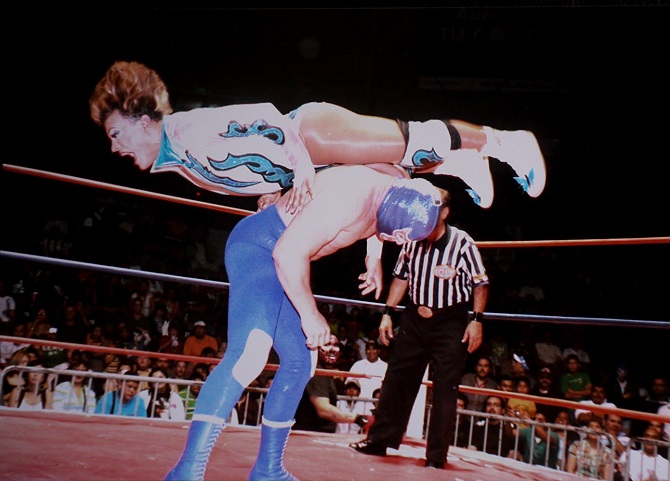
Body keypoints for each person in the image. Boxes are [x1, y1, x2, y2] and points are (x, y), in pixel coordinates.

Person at [164, 163, 447, 481]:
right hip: (260, 249)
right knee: (250, 355)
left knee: (301, 361)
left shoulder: (396, 180)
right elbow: (286, 254)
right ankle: (186, 471)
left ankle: (268, 469)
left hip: (284, 258)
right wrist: (310, 315)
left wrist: (373, 258)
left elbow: (379, 218)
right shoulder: (349, 197)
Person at [90, 60, 547, 213]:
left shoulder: (185, 130)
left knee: (414, 140)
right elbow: (249, 157)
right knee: (401, 167)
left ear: (141, 120)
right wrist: (272, 187)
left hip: (311, 135)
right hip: (309, 158)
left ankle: (505, 141)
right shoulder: (176, 154)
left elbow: (263, 115)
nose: (114, 147)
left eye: (115, 133)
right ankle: (461, 161)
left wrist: (300, 167)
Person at [350, 187, 489, 470]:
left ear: (444, 212)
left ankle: (436, 456)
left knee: (445, 389)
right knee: (396, 379)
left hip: (450, 321)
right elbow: (400, 277)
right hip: (414, 318)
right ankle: (379, 439)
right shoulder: (413, 238)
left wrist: (476, 320)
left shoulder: (462, 242)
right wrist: (387, 313)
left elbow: (480, 283)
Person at [293, 335, 368, 434]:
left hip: (314, 433)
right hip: (309, 433)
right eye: (327, 344)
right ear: (316, 348)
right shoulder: (316, 372)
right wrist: (359, 419)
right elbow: (323, 410)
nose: (332, 349)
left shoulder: (322, 371)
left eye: (336, 345)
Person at [345, 339, 387, 404]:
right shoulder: (358, 365)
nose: (371, 351)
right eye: (368, 349)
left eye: (374, 349)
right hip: (359, 403)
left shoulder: (385, 366)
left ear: (378, 351)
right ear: (365, 351)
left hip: (377, 404)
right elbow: (349, 383)